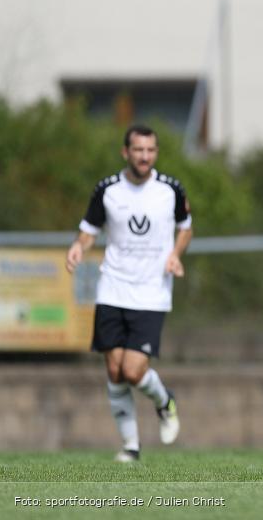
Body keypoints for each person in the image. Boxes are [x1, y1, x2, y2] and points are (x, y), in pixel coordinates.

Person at [65, 125, 192, 462]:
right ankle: (131, 447)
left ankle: (165, 401)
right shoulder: (107, 190)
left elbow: (186, 227)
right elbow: (89, 231)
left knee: (133, 371)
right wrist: (78, 247)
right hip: (112, 287)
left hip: (151, 291)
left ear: (156, 152)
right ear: (126, 152)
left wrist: (175, 254)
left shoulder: (171, 189)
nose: (144, 156)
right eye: (138, 150)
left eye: (150, 150)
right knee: (114, 370)